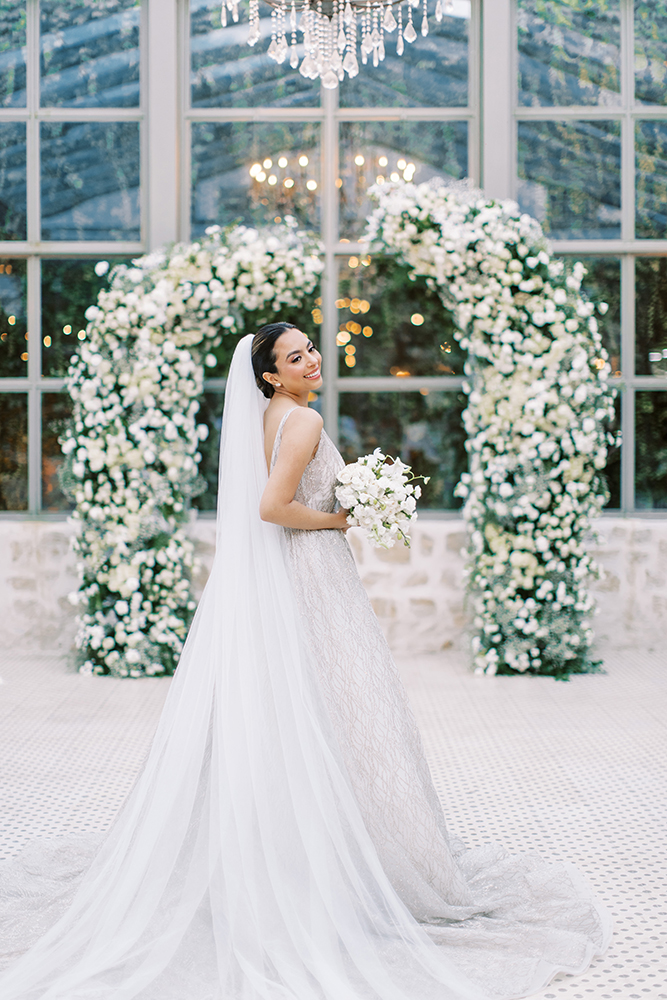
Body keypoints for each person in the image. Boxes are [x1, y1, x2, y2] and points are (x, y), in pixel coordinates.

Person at [0, 327, 610, 1000]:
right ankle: (336, 869)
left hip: (293, 576)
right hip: (313, 574)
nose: (311, 360)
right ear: (269, 376)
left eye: (310, 350)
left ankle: (308, 854)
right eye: (294, 358)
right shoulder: (303, 418)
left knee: (306, 720)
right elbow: (274, 508)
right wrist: (341, 521)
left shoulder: (270, 416)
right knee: (347, 716)